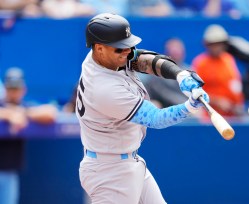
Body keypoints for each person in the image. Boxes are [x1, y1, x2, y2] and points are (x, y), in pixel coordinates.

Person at [77, 13, 209, 204]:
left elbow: (144, 60)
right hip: (110, 173)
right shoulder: (103, 88)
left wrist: (180, 75)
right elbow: (156, 118)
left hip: (126, 162)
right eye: (120, 48)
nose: (127, 51)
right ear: (99, 48)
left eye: (128, 44)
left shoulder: (103, 57)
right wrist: (190, 106)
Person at [0, 67, 58, 204]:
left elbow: (51, 113)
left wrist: (23, 113)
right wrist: (10, 114)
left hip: (9, 172)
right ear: (5, 89)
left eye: (16, 88)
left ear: (23, 89)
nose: (14, 92)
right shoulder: (2, 105)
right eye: (10, 88)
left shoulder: (25, 107)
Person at [191, 24, 245, 118]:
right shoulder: (200, 63)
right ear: (207, 45)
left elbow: (235, 84)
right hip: (210, 116)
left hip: (233, 116)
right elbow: (194, 92)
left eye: (220, 43)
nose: (217, 47)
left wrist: (238, 104)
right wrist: (216, 101)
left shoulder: (228, 59)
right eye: (213, 44)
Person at [144, 37, 189, 108]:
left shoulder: (189, 71)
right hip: (164, 108)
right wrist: (184, 105)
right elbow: (163, 93)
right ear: (167, 53)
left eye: (178, 49)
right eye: (173, 49)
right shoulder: (157, 71)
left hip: (186, 108)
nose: (175, 51)